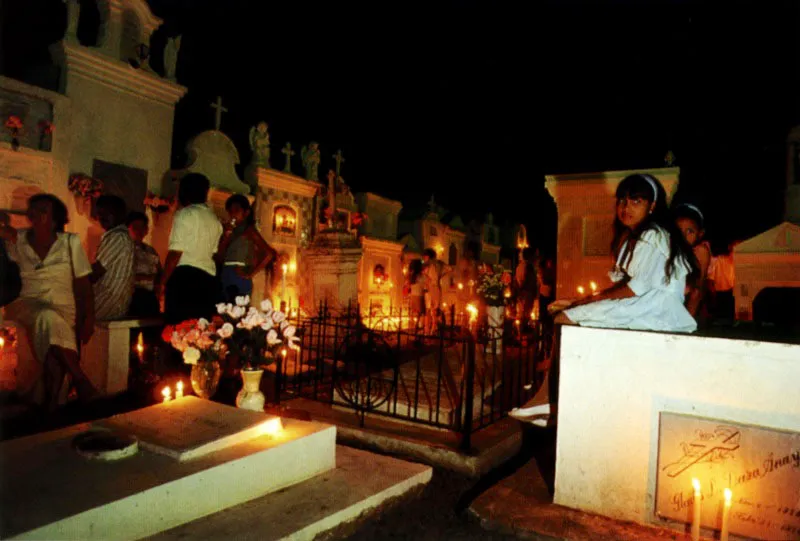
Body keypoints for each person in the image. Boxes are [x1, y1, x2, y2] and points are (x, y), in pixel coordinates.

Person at [512, 174, 698, 427]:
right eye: (622, 201)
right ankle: (553, 399)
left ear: (652, 205)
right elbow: (626, 285)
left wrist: (583, 303)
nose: (626, 207)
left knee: (565, 318)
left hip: (653, 307)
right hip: (647, 303)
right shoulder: (642, 235)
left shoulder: (652, 235)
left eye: (636, 201)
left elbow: (634, 288)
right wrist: (582, 300)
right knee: (567, 314)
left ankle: (548, 400)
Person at [1, 194, 98, 409]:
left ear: (55, 219)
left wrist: (89, 317)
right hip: (27, 304)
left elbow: (83, 284)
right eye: (32, 209)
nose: (35, 213)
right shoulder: (19, 238)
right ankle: (80, 379)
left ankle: (51, 407)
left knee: (55, 343)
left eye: (43, 210)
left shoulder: (69, 242)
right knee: (48, 318)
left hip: (63, 306)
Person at [160, 173, 223, 324]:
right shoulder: (215, 220)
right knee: (198, 333)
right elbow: (214, 252)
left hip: (185, 279)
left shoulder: (185, 214)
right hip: (207, 280)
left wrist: (162, 282)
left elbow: (175, 253)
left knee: (178, 330)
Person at [217, 194, 276, 302]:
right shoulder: (228, 230)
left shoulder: (249, 230)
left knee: (238, 311)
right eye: (230, 211)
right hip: (225, 273)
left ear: (246, 213)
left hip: (239, 276)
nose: (233, 214)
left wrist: (251, 273)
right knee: (224, 310)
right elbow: (219, 256)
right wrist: (225, 237)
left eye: (236, 210)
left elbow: (269, 254)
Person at [91, 195, 134, 320]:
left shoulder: (117, 237)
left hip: (106, 304)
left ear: (119, 214)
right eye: (100, 213)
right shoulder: (118, 236)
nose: (102, 217)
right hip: (110, 304)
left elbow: (96, 272)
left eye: (108, 213)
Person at [674, 203, 711, 325]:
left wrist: (684, 325)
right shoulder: (671, 252)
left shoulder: (699, 253)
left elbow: (697, 292)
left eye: (690, 231)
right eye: (679, 231)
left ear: (700, 233)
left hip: (689, 315)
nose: (683, 236)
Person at [127, 211, 162, 317]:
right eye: (135, 227)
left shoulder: (151, 250)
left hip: (150, 298)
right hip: (132, 298)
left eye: (142, 227)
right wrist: (148, 278)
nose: (139, 231)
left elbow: (159, 271)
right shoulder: (125, 250)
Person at [422, 248, 451, 333]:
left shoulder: (428, 264)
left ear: (427, 256)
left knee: (429, 309)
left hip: (430, 288)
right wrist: (441, 275)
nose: (424, 259)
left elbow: (424, 275)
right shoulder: (439, 263)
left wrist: (427, 277)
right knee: (433, 309)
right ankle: (432, 328)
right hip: (436, 287)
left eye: (425, 257)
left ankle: (428, 328)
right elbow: (450, 268)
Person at [405, 259, 427, 333]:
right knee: (422, 313)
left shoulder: (410, 276)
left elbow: (408, 286)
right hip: (420, 296)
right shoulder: (421, 276)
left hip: (413, 296)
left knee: (414, 312)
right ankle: (418, 327)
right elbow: (426, 285)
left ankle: (413, 327)